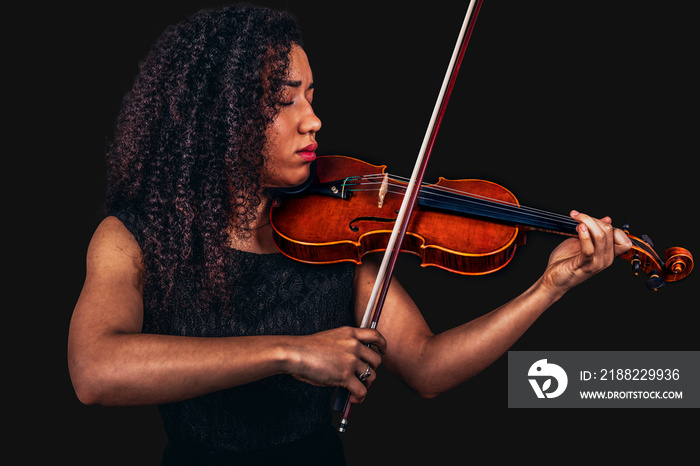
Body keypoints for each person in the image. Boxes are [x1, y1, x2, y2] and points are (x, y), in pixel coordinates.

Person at [68, 4, 632, 465]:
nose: (312, 119)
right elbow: (95, 371)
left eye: (310, 96)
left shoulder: (334, 231)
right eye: (283, 101)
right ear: (218, 116)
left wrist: (549, 287)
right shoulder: (134, 238)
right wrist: (291, 352)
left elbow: (429, 368)